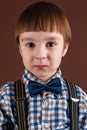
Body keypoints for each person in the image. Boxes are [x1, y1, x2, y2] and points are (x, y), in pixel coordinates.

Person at [0, 1, 87, 130]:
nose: (40, 55)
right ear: (20, 49)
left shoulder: (79, 98)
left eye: (50, 44)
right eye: (30, 44)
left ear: (64, 48)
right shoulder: (7, 97)